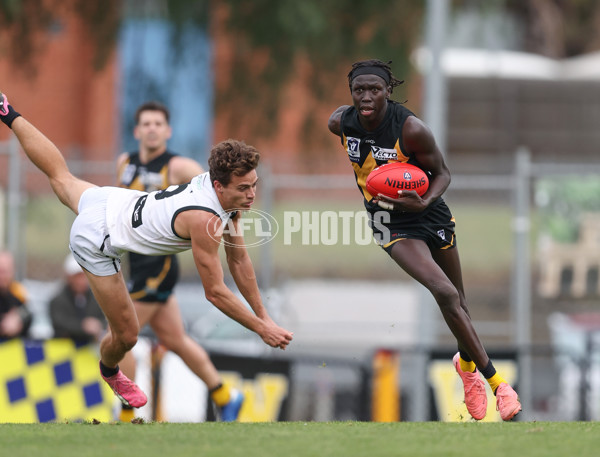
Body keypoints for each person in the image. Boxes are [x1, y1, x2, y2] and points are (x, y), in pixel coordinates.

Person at [0, 92, 293, 414]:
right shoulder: (205, 219)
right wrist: (260, 327)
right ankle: (111, 372)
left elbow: (239, 259)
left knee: (61, 175)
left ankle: (7, 112)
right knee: (126, 336)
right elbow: (215, 292)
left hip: (112, 202)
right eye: (244, 188)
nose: (252, 195)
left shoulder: (222, 193)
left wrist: (264, 315)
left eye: (254, 185)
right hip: (97, 237)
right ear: (219, 186)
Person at [327, 59, 521, 421]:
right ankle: (498, 385)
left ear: (388, 92)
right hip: (389, 222)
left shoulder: (411, 128)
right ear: (351, 92)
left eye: (375, 89)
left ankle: (466, 368)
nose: (366, 96)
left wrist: (424, 199)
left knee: (459, 301)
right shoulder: (341, 122)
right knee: (445, 293)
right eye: (359, 90)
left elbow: (443, 173)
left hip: (429, 212)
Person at [115, 101, 244, 421]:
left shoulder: (179, 167)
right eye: (146, 123)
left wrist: (229, 225)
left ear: (168, 131)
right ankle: (226, 395)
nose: (152, 129)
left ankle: (127, 414)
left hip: (159, 267)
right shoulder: (125, 163)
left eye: (158, 123)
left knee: (120, 339)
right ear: (137, 130)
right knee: (175, 339)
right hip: (136, 264)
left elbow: (215, 194)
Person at [49, 254, 107, 343]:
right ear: (69, 277)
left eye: (84, 275)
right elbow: (59, 323)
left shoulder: (97, 299)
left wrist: (98, 325)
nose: (81, 280)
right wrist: (83, 326)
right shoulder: (58, 300)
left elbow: (107, 320)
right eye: (77, 276)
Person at [0, 250, 32, 339]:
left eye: (6, 271)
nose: (3, 276)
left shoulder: (16, 291)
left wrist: (19, 318)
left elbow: (28, 313)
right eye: (0, 271)